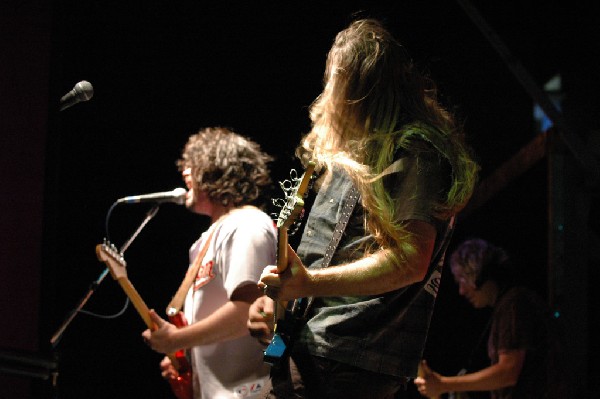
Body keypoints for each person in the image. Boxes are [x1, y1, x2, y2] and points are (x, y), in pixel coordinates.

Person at [247, 18, 479, 398]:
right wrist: (278, 308)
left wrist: (309, 284)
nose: (328, 95)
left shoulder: (415, 152)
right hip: (311, 349)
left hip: (349, 361)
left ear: (360, 87)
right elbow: (322, 258)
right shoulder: (351, 155)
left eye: (336, 82)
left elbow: (411, 258)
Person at [142, 127, 277, 398]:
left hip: (251, 392)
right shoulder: (205, 241)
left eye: (192, 165)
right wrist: (187, 358)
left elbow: (247, 311)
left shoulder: (246, 225)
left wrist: (179, 339)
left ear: (215, 168)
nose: (184, 173)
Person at [414, 238, 568, 399]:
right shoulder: (509, 304)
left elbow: (508, 372)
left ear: (476, 274)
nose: (461, 291)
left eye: (461, 280)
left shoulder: (514, 304)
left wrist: (444, 384)